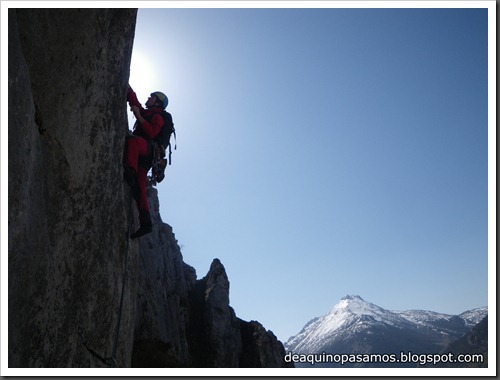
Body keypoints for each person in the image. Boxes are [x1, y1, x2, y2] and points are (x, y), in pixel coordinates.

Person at [124, 84, 169, 239]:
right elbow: (136, 104)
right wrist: (129, 91)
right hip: (146, 156)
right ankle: (146, 223)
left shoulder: (158, 116)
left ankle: (130, 171)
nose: (148, 99)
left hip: (148, 149)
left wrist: (138, 115)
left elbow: (151, 132)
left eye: (152, 97)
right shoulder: (149, 112)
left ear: (157, 102)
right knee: (140, 188)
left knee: (133, 141)